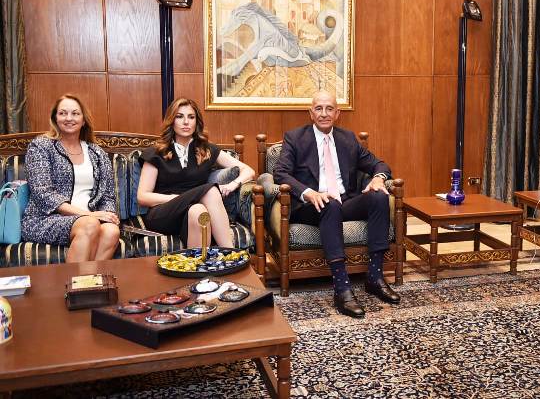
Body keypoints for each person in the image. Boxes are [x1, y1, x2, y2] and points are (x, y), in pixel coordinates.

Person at [273, 91, 400, 318]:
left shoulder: (347, 139)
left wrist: (379, 178)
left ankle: (375, 277)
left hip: (344, 202)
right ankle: (342, 288)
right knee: (329, 204)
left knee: (379, 196)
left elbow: (378, 164)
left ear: (337, 113)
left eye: (329, 109)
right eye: (319, 108)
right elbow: (280, 173)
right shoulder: (295, 138)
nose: (324, 114)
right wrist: (309, 193)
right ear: (311, 113)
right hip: (311, 207)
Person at [137, 98, 255, 248]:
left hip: (192, 211)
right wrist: (179, 198)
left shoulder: (206, 150)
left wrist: (232, 185)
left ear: (196, 122)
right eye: (180, 117)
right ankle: (230, 252)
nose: (186, 122)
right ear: (172, 121)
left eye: (191, 117)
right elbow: (142, 197)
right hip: (163, 214)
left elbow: (249, 171)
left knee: (199, 212)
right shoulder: (156, 152)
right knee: (211, 191)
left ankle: (199, 262)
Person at [22, 94, 120, 262]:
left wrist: (108, 215)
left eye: (75, 113)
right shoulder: (41, 146)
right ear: (55, 118)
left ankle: (90, 279)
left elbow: (107, 196)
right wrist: (89, 215)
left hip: (90, 219)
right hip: (45, 219)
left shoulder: (97, 153)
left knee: (111, 231)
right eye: (63, 113)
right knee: (89, 224)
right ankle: (73, 279)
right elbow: (43, 193)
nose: (69, 118)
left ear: (83, 120)